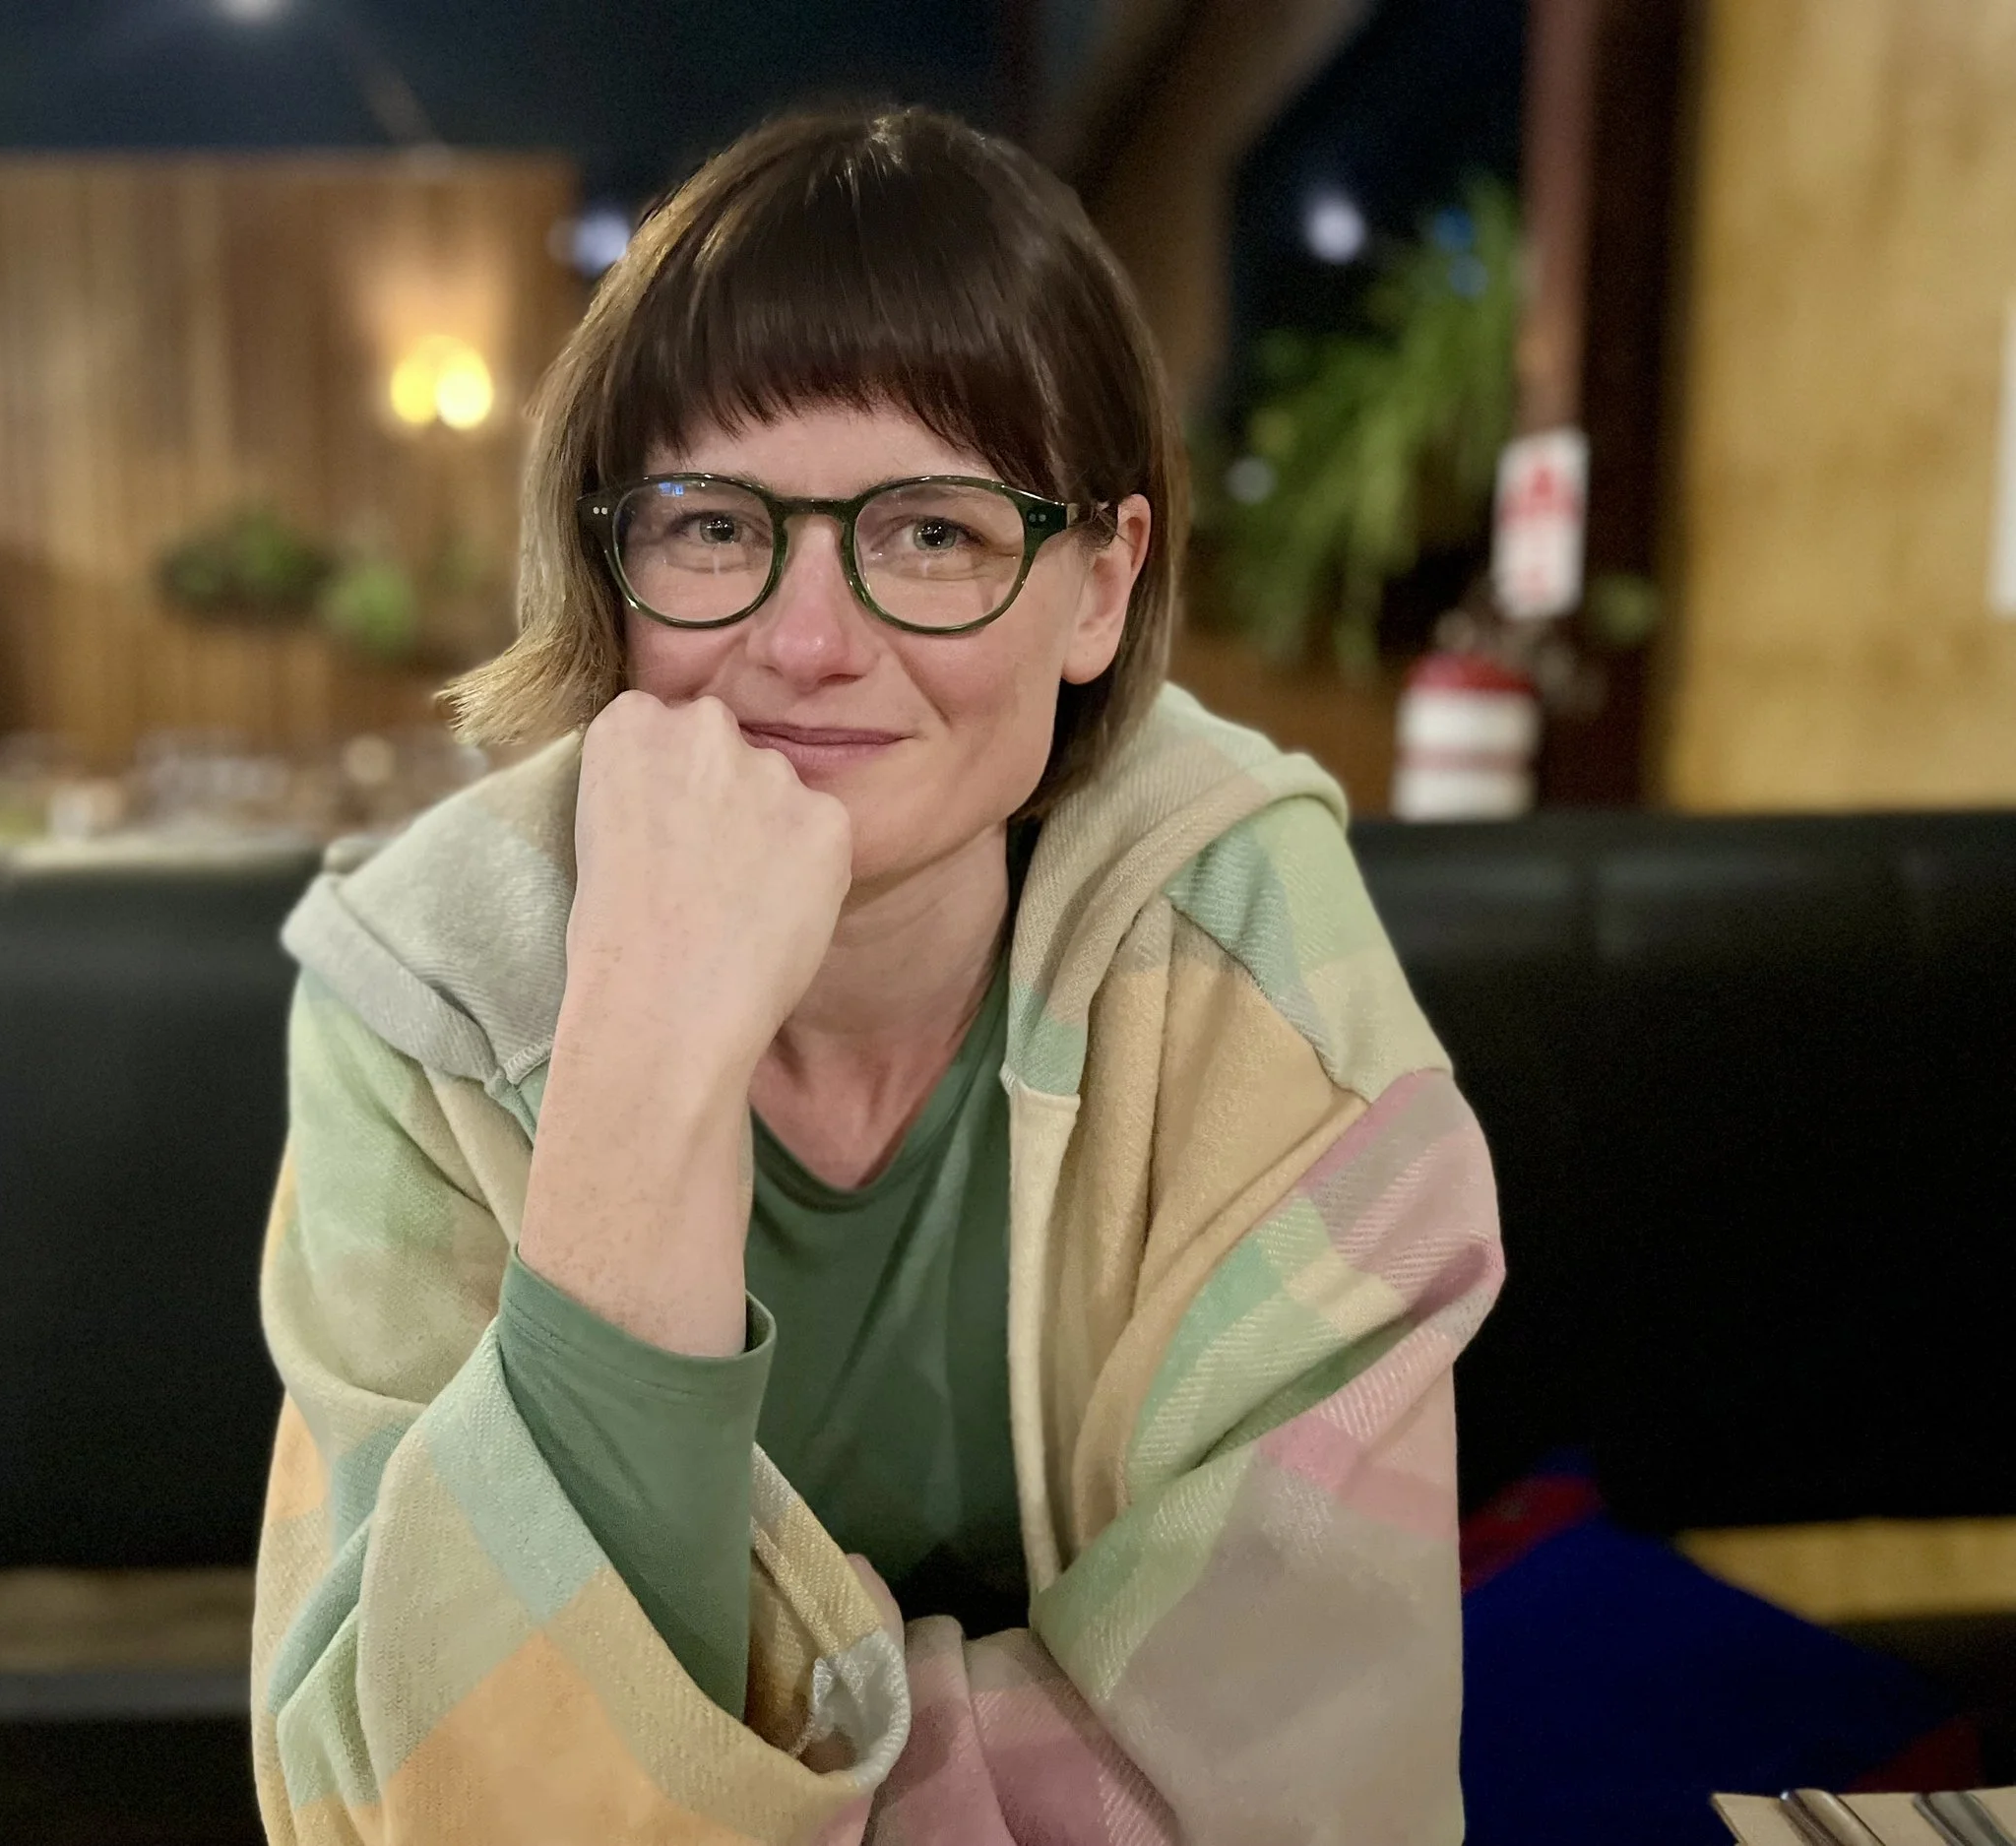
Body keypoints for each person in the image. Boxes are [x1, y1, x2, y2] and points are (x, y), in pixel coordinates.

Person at [252, 106, 1502, 1845]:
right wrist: (641, 1069)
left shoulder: (1245, 949)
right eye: (710, 526)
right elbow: (399, 1809)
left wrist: (729, 1781)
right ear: (613, 570)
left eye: (931, 533)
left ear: (1100, 584)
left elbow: (1299, 1786)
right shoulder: (429, 992)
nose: (807, 640)